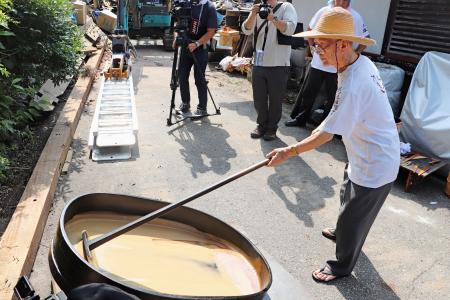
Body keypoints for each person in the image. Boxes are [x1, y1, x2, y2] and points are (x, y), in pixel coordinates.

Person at [266, 7, 400, 282]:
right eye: (314, 45)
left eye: (321, 45)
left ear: (342, 44)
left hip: (377, 163)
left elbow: (327, 134)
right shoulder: (355, 63)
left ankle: (341, 265)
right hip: (360, 150)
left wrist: (288, 151)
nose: (316, 52)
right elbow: (336, 116)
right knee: (346, 190)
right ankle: (343, 231)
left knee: (354, 216)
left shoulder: (356, 81)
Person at [285, 0, 370, 127]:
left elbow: (365, 40)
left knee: (334, 98)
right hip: (318, 63)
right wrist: (312, 47)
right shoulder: (324, 11)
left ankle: (327, 126)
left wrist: (352, 58)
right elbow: (310, 30)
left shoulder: (354, 16)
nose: (340, 2)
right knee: (308, 93)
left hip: (338, 67)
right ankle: (300, 119)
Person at [241, 0, 297, 141]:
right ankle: (261, 125)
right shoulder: (258, 8)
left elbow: (290, 29)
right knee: (259, 98)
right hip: (259, 62)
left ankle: (272, 128)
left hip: (279, 63)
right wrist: (253, 14)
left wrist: (272, 18)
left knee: (275, 99)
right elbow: (246, 29)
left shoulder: (286, 7)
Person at [174, 0, 217, 116]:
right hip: (185, 46)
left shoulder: (209, 7)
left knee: (199, 79)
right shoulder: (186, 3)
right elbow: (179, 23)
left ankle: (202, 108)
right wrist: (176, 37)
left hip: (200, 48)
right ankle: (185, 103)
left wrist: (197, 44)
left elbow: (211, 31)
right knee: (182, 76)